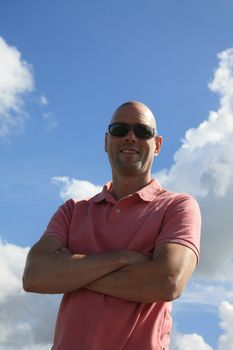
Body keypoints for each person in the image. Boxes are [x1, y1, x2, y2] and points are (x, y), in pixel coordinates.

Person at [23, 101, 201, 350]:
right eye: (120, 129)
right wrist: (124, 259)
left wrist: (70, 273)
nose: (130, 137)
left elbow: (168, 280)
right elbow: (35, 275)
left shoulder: (178, 206)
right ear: (107, 142)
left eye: (142, 131)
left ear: (157, 145)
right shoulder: (73, 210)